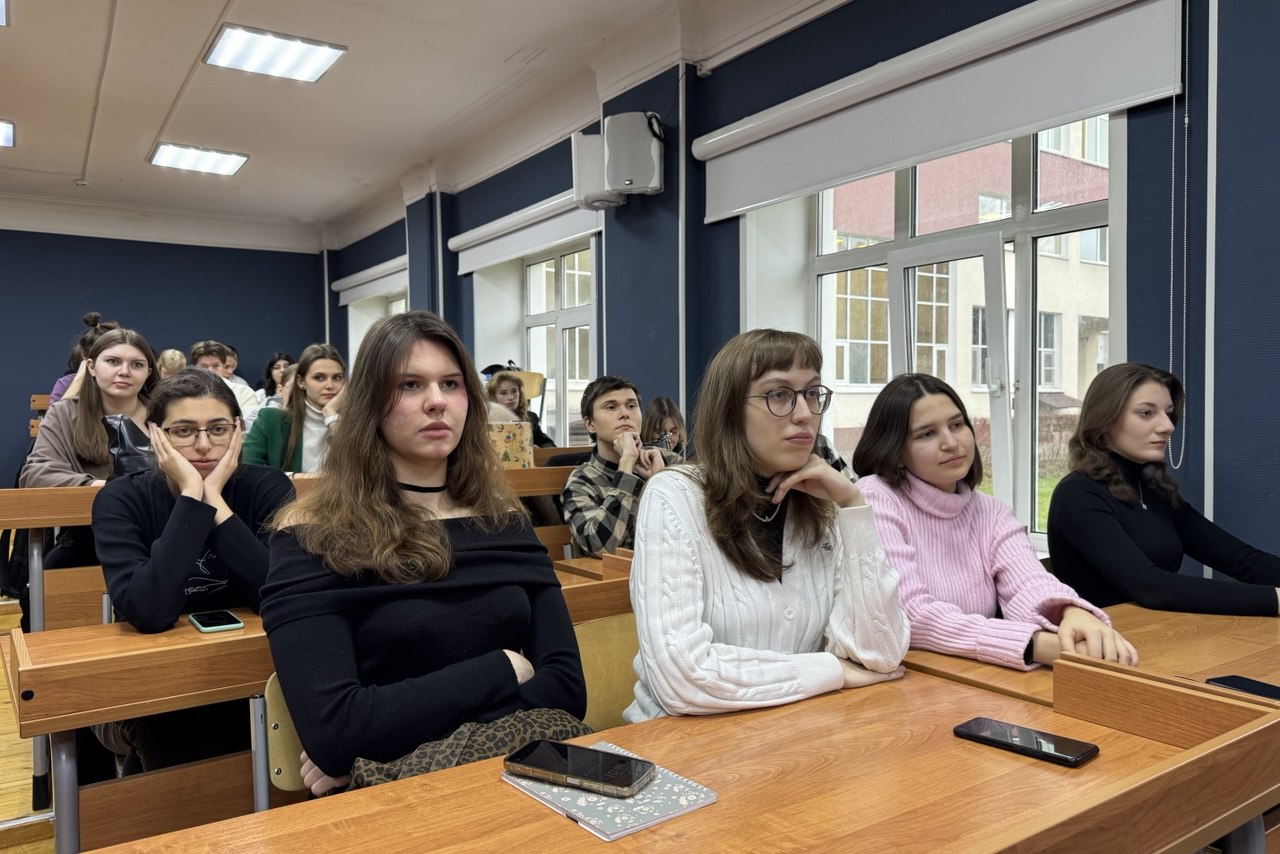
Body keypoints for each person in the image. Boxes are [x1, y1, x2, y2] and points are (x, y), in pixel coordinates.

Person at [261, 311, 585, 795]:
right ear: (370, 402)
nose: (437, 401)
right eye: (410, 385)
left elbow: (565, 691)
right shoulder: (312, 536)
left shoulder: (504, 521)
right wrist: (503, 668)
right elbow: (338, 732)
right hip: (402, 801)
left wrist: (384, 739)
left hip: (528, 779)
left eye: (451, 384)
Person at [624, 329, 909, 722]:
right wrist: (831, 671)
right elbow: (682, 679)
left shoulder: (822, 506)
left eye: (812, 393)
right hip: (678, 740)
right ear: (729, 410)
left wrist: (852, 505)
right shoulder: (674, 496)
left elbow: (881, 654)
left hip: (794, 730)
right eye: (779, 395)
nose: (805, 413)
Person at [852, 374, 1136, 670]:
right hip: (898, 677)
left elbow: (1028, 583)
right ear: (896, 451)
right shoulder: (874, 496)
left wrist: (1070, 612)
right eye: (926, 434)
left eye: (956, 425)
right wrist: (1033, 645)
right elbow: (908, 613)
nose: (951, 443)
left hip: (970, 672)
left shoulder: (992, 512)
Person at [90, 368, 293, 772]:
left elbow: (277, 593)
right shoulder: (121, 499)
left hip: (252, 668)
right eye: (183, 431)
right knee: (180, 733)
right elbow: (149, 611)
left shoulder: (268, 487)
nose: (203, 445)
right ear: (156, 435)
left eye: (218, 429)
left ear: (238, 431)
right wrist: (191, 496)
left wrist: (214, 500)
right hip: (157, 680)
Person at [1049, 363, 1280, 615]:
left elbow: (1242, 561)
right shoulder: (1077, 495)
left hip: (1161, 630)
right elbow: (1152, 586)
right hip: (1107, 635)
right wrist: (1275, 599)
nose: (1168, 426)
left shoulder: (1154, 491)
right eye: (1146, 413)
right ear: (1104, 421)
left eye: (1168, 413)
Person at [22, 328, 158, 569]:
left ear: (148, 372)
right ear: (91, 367)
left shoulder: (165, 416)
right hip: (91, 537)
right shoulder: (65, 413)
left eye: (136, 365)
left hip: (162, 535)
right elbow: (36, 474)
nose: (124, 371)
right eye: (113, 361)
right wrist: (104, 488)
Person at [561, 376, 681, 556]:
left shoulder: (668, 461)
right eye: (611, 407)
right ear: (590, 423)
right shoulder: (580, 482)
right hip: (620, 572)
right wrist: (626, 464)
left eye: (631, 406)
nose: (625, 413)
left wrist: (660, 481)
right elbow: (602, 547)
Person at [242, 344, 345, 473]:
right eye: (319, 377)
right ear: (301, 382)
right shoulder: (271, 419)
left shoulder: (355, 422)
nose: (330, 385)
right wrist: (295, 478)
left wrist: (331, 415)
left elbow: (361, 472)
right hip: (287, 487)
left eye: (337, 377)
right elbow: (246, 471)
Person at [50, 312, 120, 404]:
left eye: (115, 360)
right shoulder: (65, 384)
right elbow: (58, 413)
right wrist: (78, 380)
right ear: (84, 356)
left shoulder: (125, 381)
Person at [189, 340, 260, 423]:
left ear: (223, 366)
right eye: (204, 366)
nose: (210, 371)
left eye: (216, 366)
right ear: (194, 368)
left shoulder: (244, 393)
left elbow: (248, 425)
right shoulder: (183, 393)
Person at [486, 371, 554, 447]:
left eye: (514, 391)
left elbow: (548, 444)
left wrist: (538, 449)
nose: (511, 397)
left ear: (520, 393)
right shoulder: (485, 419)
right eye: (503, 393)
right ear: (493, 397)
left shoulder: (531, 417)